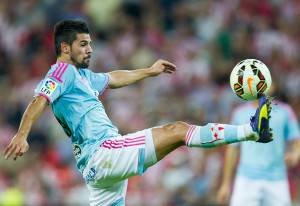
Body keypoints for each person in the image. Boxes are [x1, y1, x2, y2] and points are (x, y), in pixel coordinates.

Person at [4, 19, 273, 206]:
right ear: (65, 48)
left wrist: (149, 71)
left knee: (176, 132)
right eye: (83, 44)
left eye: (90, 43)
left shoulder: (81, 76)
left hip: (95, 166)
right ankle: (251, 131)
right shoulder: (61, 72)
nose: (90, 49)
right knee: (177, 130)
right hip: (103, 151)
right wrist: (22, 135)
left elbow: (113, 78)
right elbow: (40, 99)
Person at [217, 95, 300, 206]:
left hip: (277, 179)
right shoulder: (239, 113)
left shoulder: (285, 111)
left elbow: (296, 141)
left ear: (273, 85)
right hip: (246, 179)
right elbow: (232, 149)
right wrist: (225, 184)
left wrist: (295, 154)